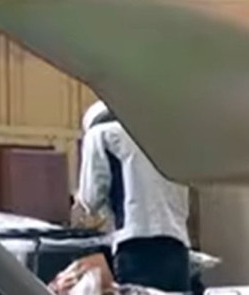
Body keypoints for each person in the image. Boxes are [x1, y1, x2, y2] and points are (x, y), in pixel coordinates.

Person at [75, 100, 191, 292]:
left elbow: (91, 197)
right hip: (177, 247)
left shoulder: (100, 134)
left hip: (135, 246)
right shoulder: (170, 138)